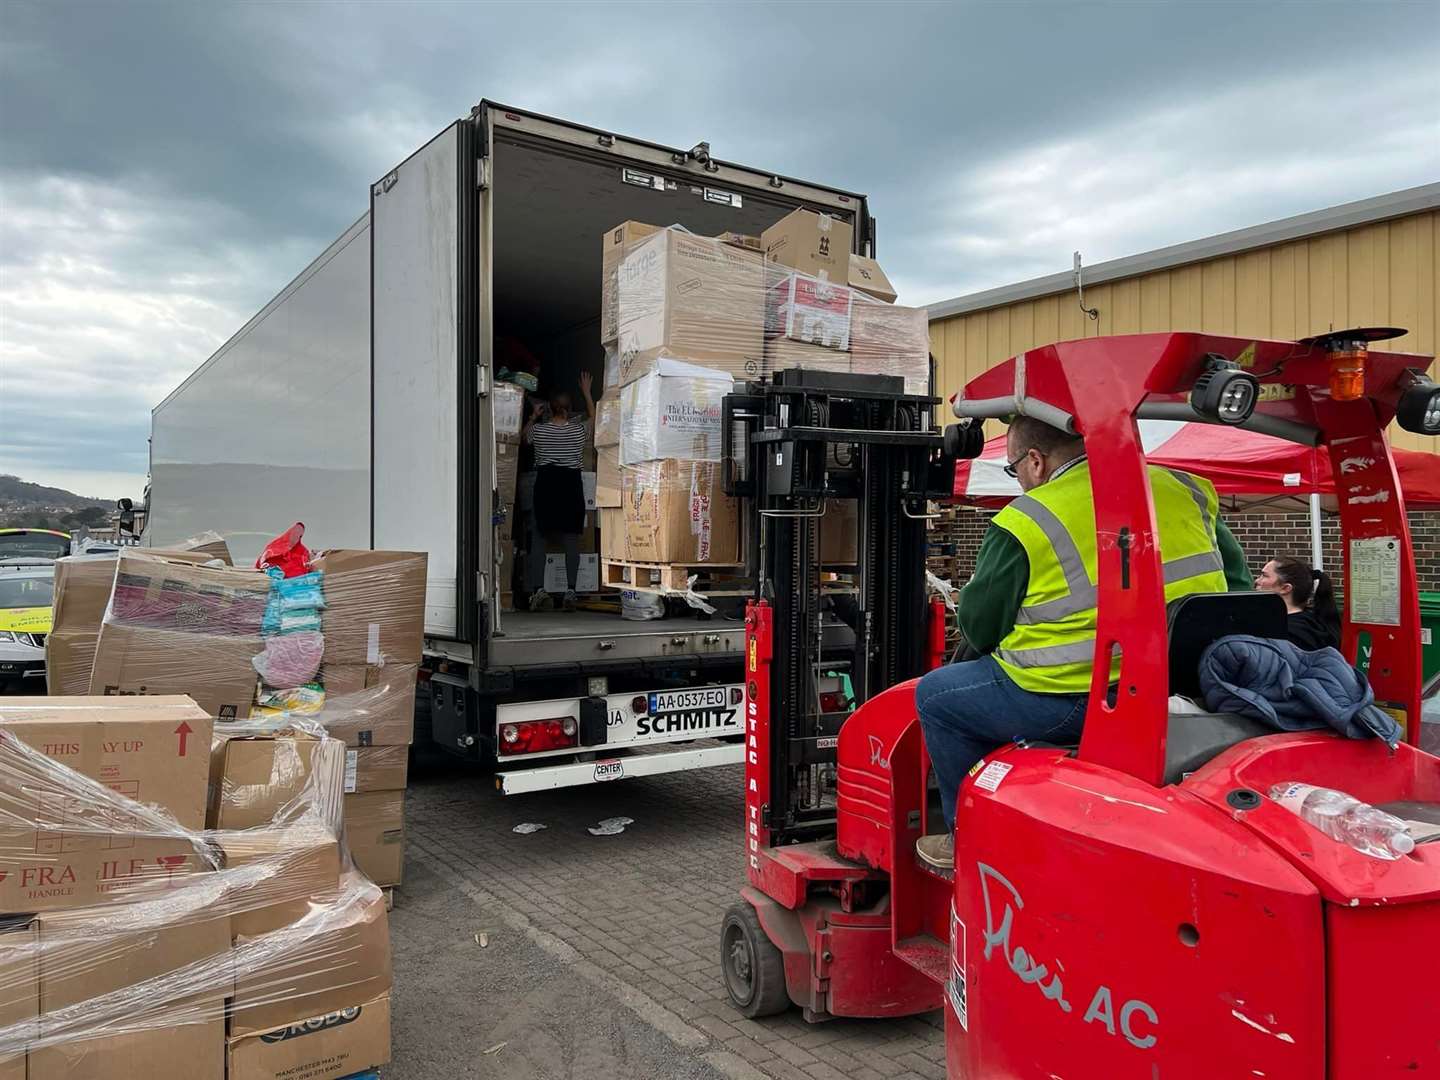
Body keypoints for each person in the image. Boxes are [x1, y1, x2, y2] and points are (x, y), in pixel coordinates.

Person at [913, 416, 1253, 869]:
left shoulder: (1025, 520)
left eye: (1016, 471)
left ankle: (966, 840)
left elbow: (979, 627)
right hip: (1190, 685)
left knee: (936, 696)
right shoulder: (1187, 489)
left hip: (1074, 700)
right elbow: (1238, 587)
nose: (1021, 482)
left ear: (1035, 460)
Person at [523, 371, 594, 611]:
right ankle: (571, 591)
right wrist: (586, 392)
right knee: (571, 540)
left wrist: (533, 416)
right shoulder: (577, 431)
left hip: (546, 485)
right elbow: (594, 418)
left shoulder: (541, 431)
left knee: (539, 539)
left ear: (550, 409)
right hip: (570, 486)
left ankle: (538, 591)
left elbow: (525, 438)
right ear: (568, 409)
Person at [1255, 555, 1341, 651]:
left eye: (1264, 575)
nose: (1257, 581)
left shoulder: (1288, 634)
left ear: (1285, 588)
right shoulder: (1311, 623)